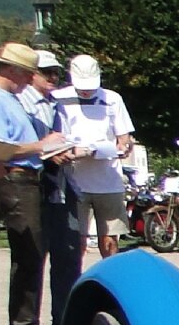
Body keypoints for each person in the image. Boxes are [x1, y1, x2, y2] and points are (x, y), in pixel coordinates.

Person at [0, 43, 60, 325]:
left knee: (33, 247)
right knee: (28, 248)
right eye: (26, 74)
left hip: (25, 177)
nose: (28, 81)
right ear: (12, 71)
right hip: (15, 178)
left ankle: (26, 321)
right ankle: (23, 324)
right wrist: (40, 145)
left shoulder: (8, 98)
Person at [23, 51, 86, 325]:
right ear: (30, 73)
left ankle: (65, 318)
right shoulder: (22, 102)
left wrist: (71, 149)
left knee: (69, 252)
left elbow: (64, 137)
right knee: (33, 253)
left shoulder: (56, 104)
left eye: (56, 72)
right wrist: (48, 152)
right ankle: (26, 322)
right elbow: (21, 144)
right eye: (46, 71)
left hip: (63, 182)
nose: (52, 77)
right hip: (36, 181)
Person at [56, 56, 135, 261]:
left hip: (108, 180)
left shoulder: (112, 98)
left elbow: (123, 135)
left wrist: (123, 147)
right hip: (75, 180)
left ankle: (111, 280)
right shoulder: (58, 98)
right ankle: (75, 283)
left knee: (109, 239)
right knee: (76, 240)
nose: (86, 91)